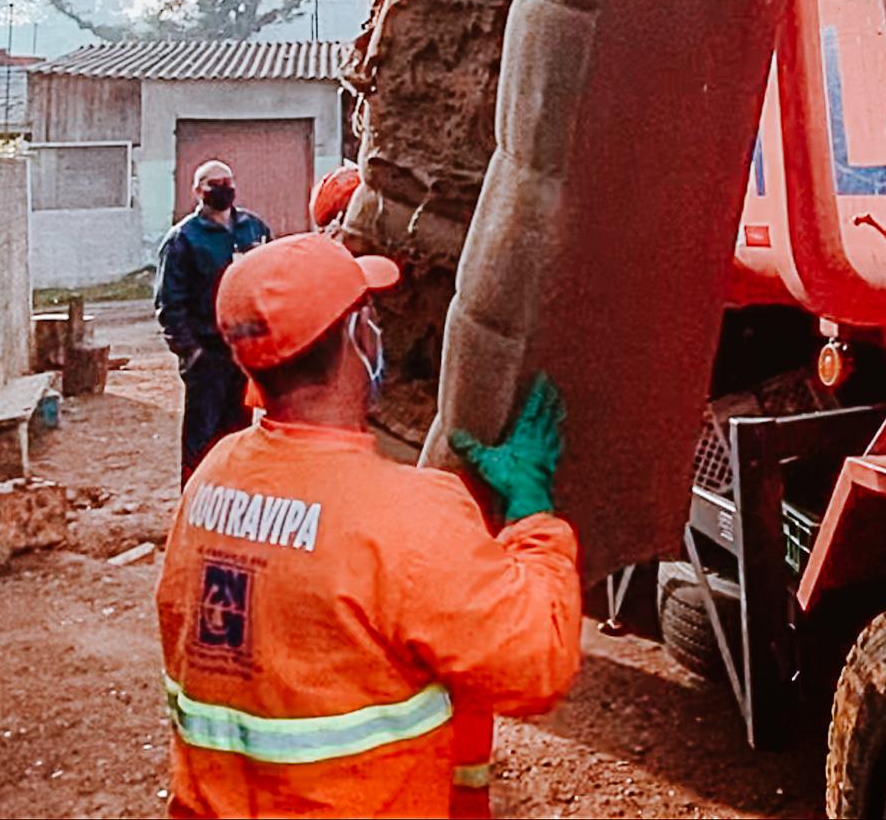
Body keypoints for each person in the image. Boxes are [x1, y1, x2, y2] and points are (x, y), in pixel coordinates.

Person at [156, 235, 581, 819]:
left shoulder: (213, 477)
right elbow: (537, 664)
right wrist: (534, 512)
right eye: (370, 316)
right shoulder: (405, 514)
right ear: (357, 338)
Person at [155, 159, 273, 483]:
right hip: (206, 357)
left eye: (227, 181)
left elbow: (271, 280)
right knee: (202, 439)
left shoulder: (254, 228)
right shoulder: (182, 239)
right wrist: (192, 354)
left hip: (243, 356)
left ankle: (233, 501)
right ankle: (195, 505)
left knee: (238, 435)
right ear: (197, 191)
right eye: (213, 183)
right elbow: (169, 304)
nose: (223, 188)